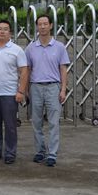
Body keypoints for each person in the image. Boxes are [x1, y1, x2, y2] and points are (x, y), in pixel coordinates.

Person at [25, 14, 70, 167]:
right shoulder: (31, 48)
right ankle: (39, 151)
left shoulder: (59, 47)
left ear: (51, 25)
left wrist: (63, 89)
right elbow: (27, 70)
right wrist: (26, 89)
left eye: (45, 23)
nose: (43, 26)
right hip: (35, 87)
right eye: (40, 24)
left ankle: (52, 154)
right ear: (37, 26)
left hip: (53, 87)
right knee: (36, 122)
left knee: (53, 122)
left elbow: (63, 69)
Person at [0, 19, 28, 164]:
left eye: (5, 29)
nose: (2, 32)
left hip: (9, 94)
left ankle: (10, 153)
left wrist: (21, 91)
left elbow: (24, 71)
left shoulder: (17, 50)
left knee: (10, 126)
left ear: (10, 33)